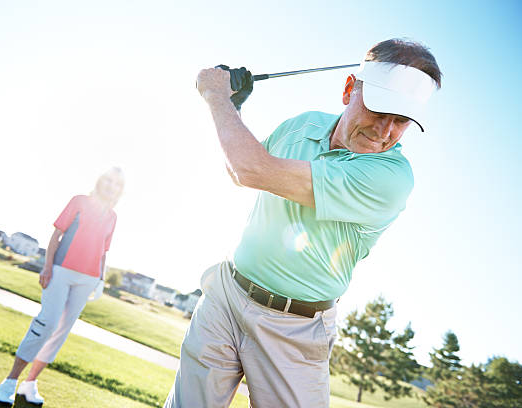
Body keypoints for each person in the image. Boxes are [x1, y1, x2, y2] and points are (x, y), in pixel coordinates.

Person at [164, 38, 442, 408]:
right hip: (228, 295)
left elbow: (252, 169)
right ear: (349, 90)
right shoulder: (304, 124)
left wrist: (216, 97)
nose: (384, 130)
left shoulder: (390, 178)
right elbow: (238, 169)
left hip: (296, 328)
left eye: (402, 120)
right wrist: (235, 109)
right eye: (379, 110)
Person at [0, 167, 125, 406]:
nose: (111, 186)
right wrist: (47, 266)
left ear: (120, 190)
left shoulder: (113, 217)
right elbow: (57, 235)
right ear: (100, 180)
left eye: (117, 184)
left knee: (61, 332)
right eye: (108, 180)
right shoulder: (79, 201)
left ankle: (29, 383)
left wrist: (101, 280)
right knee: (48, 323)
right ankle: (10, 381)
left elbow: (104, 251)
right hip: (61, 271)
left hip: (88, 278)